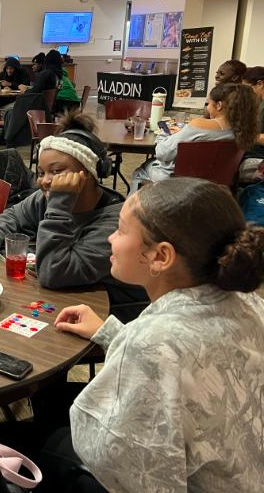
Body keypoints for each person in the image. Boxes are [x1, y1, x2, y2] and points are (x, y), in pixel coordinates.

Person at [50, 178, 264, 492]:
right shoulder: (250, 303)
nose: (111, 237)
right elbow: (195, 369)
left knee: (46, 437)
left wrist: (132, 343)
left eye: (121, 230)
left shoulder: (152, 342)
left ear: (161, 256)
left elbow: (129, 466)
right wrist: (113, 334)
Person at [0, 112, 147, 321]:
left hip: (109, 318)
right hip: (63, 303)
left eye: (56, 171)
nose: (45, 181)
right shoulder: (44, 199)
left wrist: (60, 204)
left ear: (88, 173)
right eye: (40, 172)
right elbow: (14, 215)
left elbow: (53, 273)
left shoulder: (115, 224)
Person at [132, 82, 258, 189]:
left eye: (208, 104)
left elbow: (163, 153)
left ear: (219, 105)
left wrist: (163, 135)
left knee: (141, 171)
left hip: (178, 183)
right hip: (217, 186)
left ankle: (132, 213)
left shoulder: (199, 125)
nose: (207, 108)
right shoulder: (245, 131)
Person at [3, 50, 62, 147]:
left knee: (9, 111)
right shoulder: (57, 75)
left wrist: (25, 90)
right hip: (44, 107)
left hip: (35, 106)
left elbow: (34, 92)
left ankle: (9, 138)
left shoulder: (46, 74)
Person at [240, 66, 264, 180]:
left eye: (248, 88)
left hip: (258, 158)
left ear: (260, 84)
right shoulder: (259, 104)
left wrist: (245, 135)